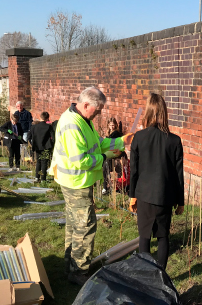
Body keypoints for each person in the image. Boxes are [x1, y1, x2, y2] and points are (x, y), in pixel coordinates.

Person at [49, 86, 134, 286]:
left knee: (74, 223)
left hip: (75, 181)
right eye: (97, 110)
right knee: (85, 225)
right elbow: (81, 160)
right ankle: (79, 271)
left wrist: (121, 141)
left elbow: (98, 142)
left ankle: (71, 265)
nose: (99, 113)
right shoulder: (72, 124)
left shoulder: (83, 120)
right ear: (86, 104)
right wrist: (105, 157)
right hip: (76, 182)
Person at [129, 93, 184, 270]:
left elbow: (134, 170)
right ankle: (161, 275)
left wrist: (132, 196)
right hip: (165, 197)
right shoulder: (175, 141)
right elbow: (178, 174)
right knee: (163, 237)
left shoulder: (139, 137)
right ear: (164, 112)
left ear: (147, 112)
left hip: (144, 195)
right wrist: (180, 202)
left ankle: (146, 275)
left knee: (144, 236)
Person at [28, 112, 55, 182]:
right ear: (47, 118)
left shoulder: (34, 127)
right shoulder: (48, 127)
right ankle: (43, 178)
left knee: (38, 162)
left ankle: (37, 177)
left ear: (40, 117)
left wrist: (32, 144)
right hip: (45, 147)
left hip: (37, 146)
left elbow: (29, 137)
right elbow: (53, 137)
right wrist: (51, 144)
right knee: (44, 163)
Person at [102, 118, 124, 194]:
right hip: (110, 154)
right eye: (111, 125)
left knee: (116, 171)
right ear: (108, 125)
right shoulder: (108, 133)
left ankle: (118, 187)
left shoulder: (116, 133)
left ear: (116, 125)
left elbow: (109, 142)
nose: (112, 127)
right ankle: (105, 187)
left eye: (113, 125)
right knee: (105, 170)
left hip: (115, 154)